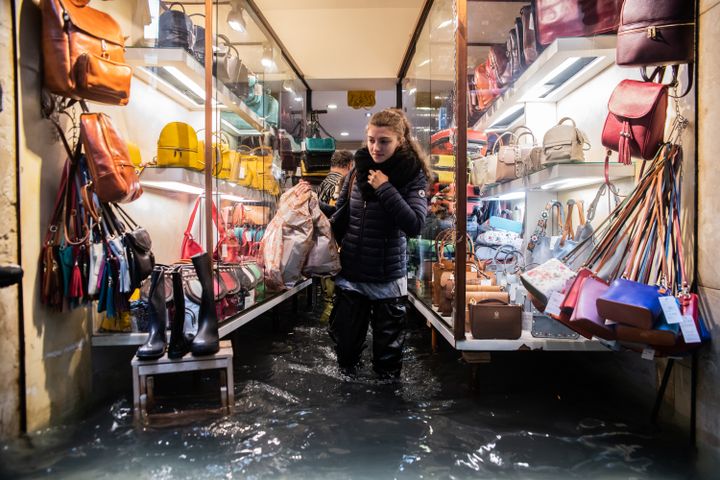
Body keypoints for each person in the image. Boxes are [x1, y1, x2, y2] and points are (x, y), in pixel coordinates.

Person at [327, 108, 430, 378]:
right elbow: (340, 217)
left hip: (388, 282)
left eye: (384, 141)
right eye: (371, 139)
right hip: (351, 277)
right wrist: (310, 209)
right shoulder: (356, 171)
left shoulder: (412, 175)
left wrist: (385, 188)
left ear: (400, 141)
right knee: (345, 357)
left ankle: (388, 414)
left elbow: (415, 225)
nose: (376, 147)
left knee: (387, 367)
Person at [316, 150, 354, 324]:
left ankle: (327, 312)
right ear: (349, 165)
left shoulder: (323, 183)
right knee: (334, 294)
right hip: (334, 241)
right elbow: (337, 215)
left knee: (326, 285)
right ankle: (331, 316)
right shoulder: (341, 182)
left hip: (321, 240)